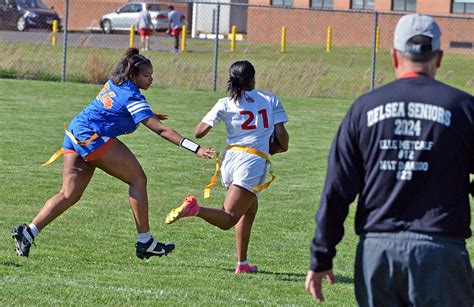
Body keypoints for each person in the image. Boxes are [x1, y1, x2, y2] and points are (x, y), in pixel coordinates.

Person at [305, 14, 474, 306]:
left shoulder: (364, 109)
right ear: (440, 57)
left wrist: (322, 255)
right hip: (441, 250)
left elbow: (336, 190)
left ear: (395, 57)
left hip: (378, 252)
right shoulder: (463, 108)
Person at [11, 47, 215, 260]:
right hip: (92, 137)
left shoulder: (116, 81)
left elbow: (114, 108)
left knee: (68, 194)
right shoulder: (133, 97)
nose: (151, 79)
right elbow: (161, 130)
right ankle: (145, 241)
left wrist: (149, 113)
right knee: (138, 179)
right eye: (146, 76)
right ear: (134, 75)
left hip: (74, 132)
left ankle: (28, 232)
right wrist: (196, 148)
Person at [165, 60, 289, 274]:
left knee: (249, 210)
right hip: (252, 161)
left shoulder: (225, 102)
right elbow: (282, 137)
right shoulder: (270, 100)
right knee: (229, 218)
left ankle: (242, 263)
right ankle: (194, 209)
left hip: (230, 159)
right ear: (253, 78)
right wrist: (277, 148)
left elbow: (199, 132)